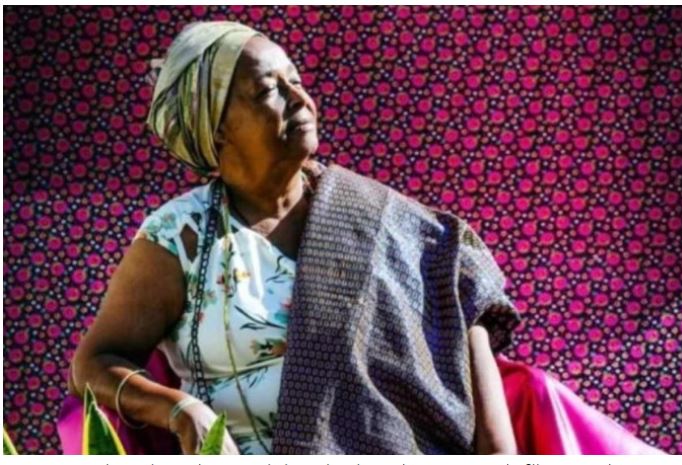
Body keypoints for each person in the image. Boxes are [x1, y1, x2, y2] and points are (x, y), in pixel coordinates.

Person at [68, 21, 520, 455]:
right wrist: (181, 411)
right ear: (217, 125)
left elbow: (492, 436)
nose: (300, 99)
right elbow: (94, 363)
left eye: (297, 80)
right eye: (269, 90)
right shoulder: (180, 237)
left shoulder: (407, 234)